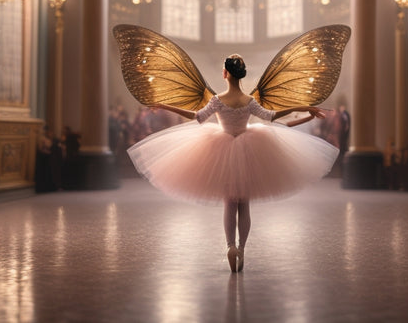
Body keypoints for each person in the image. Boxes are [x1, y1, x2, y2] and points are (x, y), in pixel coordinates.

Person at [127, 54, 339, 273]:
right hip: (249, 149)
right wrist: (305, 108)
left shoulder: (218, 100)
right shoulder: (249, 101)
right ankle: (242, 249)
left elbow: (196, 117)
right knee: (244, 203)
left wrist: (165, 105)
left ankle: (230, 247)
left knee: (229, 202)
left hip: (221, 148)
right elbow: (272, 116)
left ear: (225, 73)